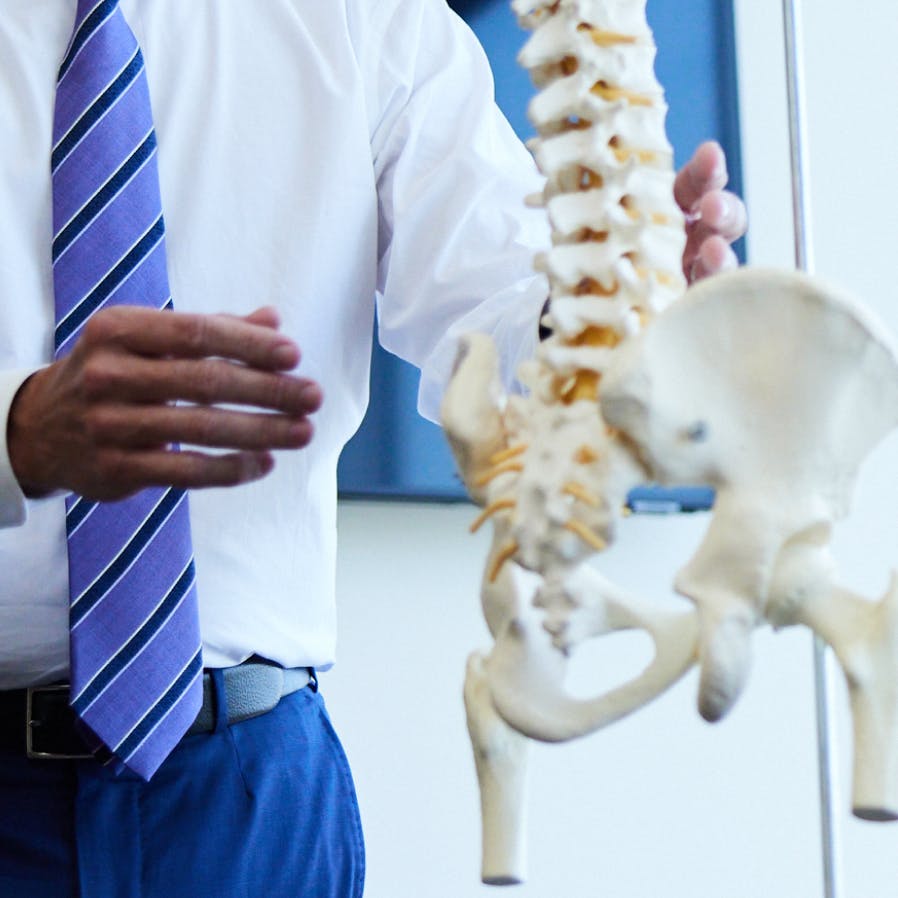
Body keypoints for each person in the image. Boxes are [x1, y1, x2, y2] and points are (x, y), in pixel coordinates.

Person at [0, 0, 746, 895]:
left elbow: (500, 318)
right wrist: (16, 434)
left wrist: (607, 317)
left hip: (252, 805)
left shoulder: (365, 16)